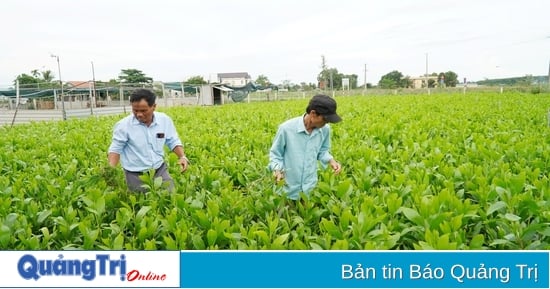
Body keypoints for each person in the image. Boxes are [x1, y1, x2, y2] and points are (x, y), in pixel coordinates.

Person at [107, 88, 189, 192]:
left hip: (159, 169)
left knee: (169, 197)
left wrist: (182, 156)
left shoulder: (164, 120)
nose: (139, 114)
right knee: (141, 203)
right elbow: (115, 149)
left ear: (154, 107)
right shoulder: (123, 126)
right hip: (135, 174)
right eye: (135, 110)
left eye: (143, 110)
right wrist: (110, 170)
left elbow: (172, 140)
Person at [268, 94, 342, 201]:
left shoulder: (325, 130)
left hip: (309, 188)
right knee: (287, 215)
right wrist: (277, 169)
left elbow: (323, 151)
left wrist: (331, 161)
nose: (327, 122)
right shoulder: (286, 129)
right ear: (313, 113)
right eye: (325, 119)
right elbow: (275, 154)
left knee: (305, 215)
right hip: (287, 188)